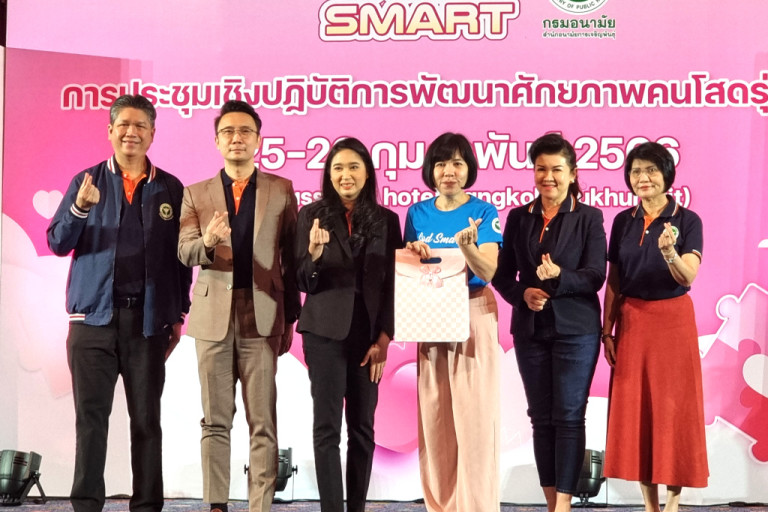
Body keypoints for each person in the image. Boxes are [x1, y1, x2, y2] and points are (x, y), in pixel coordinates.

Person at [46, 94, 192, 512]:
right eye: (123, 125)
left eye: (140, 125)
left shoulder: (170, 187)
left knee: (147, 421)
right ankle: (86, 505)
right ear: (110, 131)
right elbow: (57, 242)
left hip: (147, 323)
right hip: (92, 322)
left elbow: (181, 259)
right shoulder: (86, 181)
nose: (131, 132)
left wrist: (178, 313)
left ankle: (147, 505)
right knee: (91, 421)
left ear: (152, 133)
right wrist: (79, 208)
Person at [177, 100, 301, 512]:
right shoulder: (195, 193)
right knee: (215, 419)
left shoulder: (281, 189)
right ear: (217, 141)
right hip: (212, 316)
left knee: (262, 420)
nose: (236, 138)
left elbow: (291, 258)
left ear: (258, 140)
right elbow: (184, 252)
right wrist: (208, 242)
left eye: (245, 131)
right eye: (228, 132)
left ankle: (259, 506)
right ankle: (216, 504)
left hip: (262, 314)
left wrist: (290, 317)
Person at [492, 133, 606, 512]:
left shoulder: (588, 217)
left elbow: (595, 275)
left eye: (557, 169)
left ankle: (564, 505)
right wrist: (522, 293)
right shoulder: (519, 217)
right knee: (541, 419)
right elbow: (502, 275)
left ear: (572, 173)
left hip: (577, 330)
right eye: (541, 169)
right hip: (531, 330)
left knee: (569, 417)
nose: (548, 177)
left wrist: (559, 276)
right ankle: (551, 501)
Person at [295, 137, 402, 512]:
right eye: (338, 168)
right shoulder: (311, 215)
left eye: (354, 167)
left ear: (367, 173)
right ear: (328, 174)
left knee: (362, 428)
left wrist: (384, 338)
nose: (346, 175)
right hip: (323, 334)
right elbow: (302, 281)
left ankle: (356, 506)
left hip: (368, 338)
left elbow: (393, 285)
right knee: (327, 428)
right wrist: (313, 254)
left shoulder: (387, 221)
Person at [602, 142, 708, 512]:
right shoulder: (622, 221)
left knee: (673, 411)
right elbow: (614, 280)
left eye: (651, 170)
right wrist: (607, 330)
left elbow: (688, 275)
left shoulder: (687, 220)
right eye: (635, 171)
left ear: (666, 174)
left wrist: (669, 253)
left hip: (673, 322)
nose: (643, 178)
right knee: (640, 412)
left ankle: (673, 503)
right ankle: (650, 506)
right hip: (633, 322)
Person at [403, 132, 502, 512]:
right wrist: (414, 251)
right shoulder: (417, 214)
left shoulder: (484, 212)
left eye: (457, 163)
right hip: (429, 314)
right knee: (436, 418)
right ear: (431, 170)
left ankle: (477, 506)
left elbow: (488, 270)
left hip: (473, 311)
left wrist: (467, 247)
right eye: (442, 163)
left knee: (475, 420)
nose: (449, 171)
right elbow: (410, 268)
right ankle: (440, 506)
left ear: (469, 169)